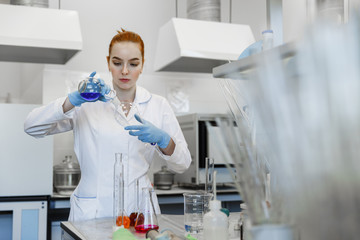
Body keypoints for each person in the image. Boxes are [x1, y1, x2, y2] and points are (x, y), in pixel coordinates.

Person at [24, 28, 191, 221]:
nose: (125, 71)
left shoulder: (158, 105)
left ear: (143, 65)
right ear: (108, 63)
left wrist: (164, 140)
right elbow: (31, 126)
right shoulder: (87, 103)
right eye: (117, 63)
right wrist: (73, 99)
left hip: (140, 211)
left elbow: (183, 164)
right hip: (92, 211)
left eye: (133, 64)